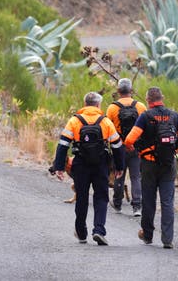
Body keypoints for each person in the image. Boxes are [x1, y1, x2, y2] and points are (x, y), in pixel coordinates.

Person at [124, 86, 178, 249]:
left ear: (148, 100)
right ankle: (167, 239)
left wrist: (132, 148)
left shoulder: (145, 116)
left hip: (149, 164)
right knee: (167, 202)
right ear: (161, 98)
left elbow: (129, 140)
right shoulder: (174, 116)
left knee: (149, 201)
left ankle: (148, 235)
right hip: (168, 164)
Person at [52, 91, 125, 246]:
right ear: (98, 105)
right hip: (101, 165)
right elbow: (117, 145)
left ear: (85, 104)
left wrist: (59, 167)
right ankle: (99, 230)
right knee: (101, 198)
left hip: (80, 164)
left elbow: (63, 144)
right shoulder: (105, 122)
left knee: (82, 198)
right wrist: (119, 167)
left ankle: (81, 233)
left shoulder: (74, 121)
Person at [106, 78, 147, 217]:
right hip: (136, 147)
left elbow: (107, 129)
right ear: (131, 90)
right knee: (136, 177)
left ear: (118, 91)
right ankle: (137, 207)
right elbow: (146, 127)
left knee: (119, 174)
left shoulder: (112, 107)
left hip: (119, 147)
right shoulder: (140, 106)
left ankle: (117, 204)